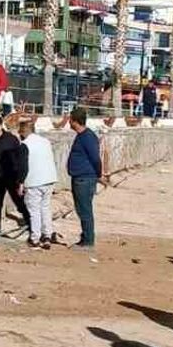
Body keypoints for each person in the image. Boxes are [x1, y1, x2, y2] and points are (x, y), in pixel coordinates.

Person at [17, 119, 58, 249]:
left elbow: (23, 167)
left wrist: (20, 183)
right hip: (49, 179)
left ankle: (35, 238)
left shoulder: (25, 144)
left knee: (34, 211)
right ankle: (47, 235)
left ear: (23, 132)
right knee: (45, 208)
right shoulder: (45, 142)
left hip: (34, 181)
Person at [67, 106, 103, 248]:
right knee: (82, 209)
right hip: (81, 177)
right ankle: (85, 238)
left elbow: (95, 158)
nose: (68, 122)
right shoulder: (83, 136)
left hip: (84, 179)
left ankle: (88, 241)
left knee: (85, 210)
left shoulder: (87, 137)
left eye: (70, 119)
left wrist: (98, 175)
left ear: (74, 121)